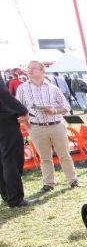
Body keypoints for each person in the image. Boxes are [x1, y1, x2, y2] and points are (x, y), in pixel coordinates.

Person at [15, 60, 80, 193]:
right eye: (28, 68)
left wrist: (54, 111)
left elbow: (66, 107)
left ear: (42, 70)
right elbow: (19, 108)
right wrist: (26, 122)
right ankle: (48, 184)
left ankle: (73, 181)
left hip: (56, 125)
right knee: (44, 158)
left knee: (64, 155)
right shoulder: (22, 88)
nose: (30, 70)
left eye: (33, 68)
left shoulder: (52, 88)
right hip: (36, 127)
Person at [0, 78, 38, 207]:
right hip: (4, 121)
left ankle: (7, 195)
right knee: (11, 159)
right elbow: (3, 94)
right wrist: (23, 111)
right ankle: (15, 199)